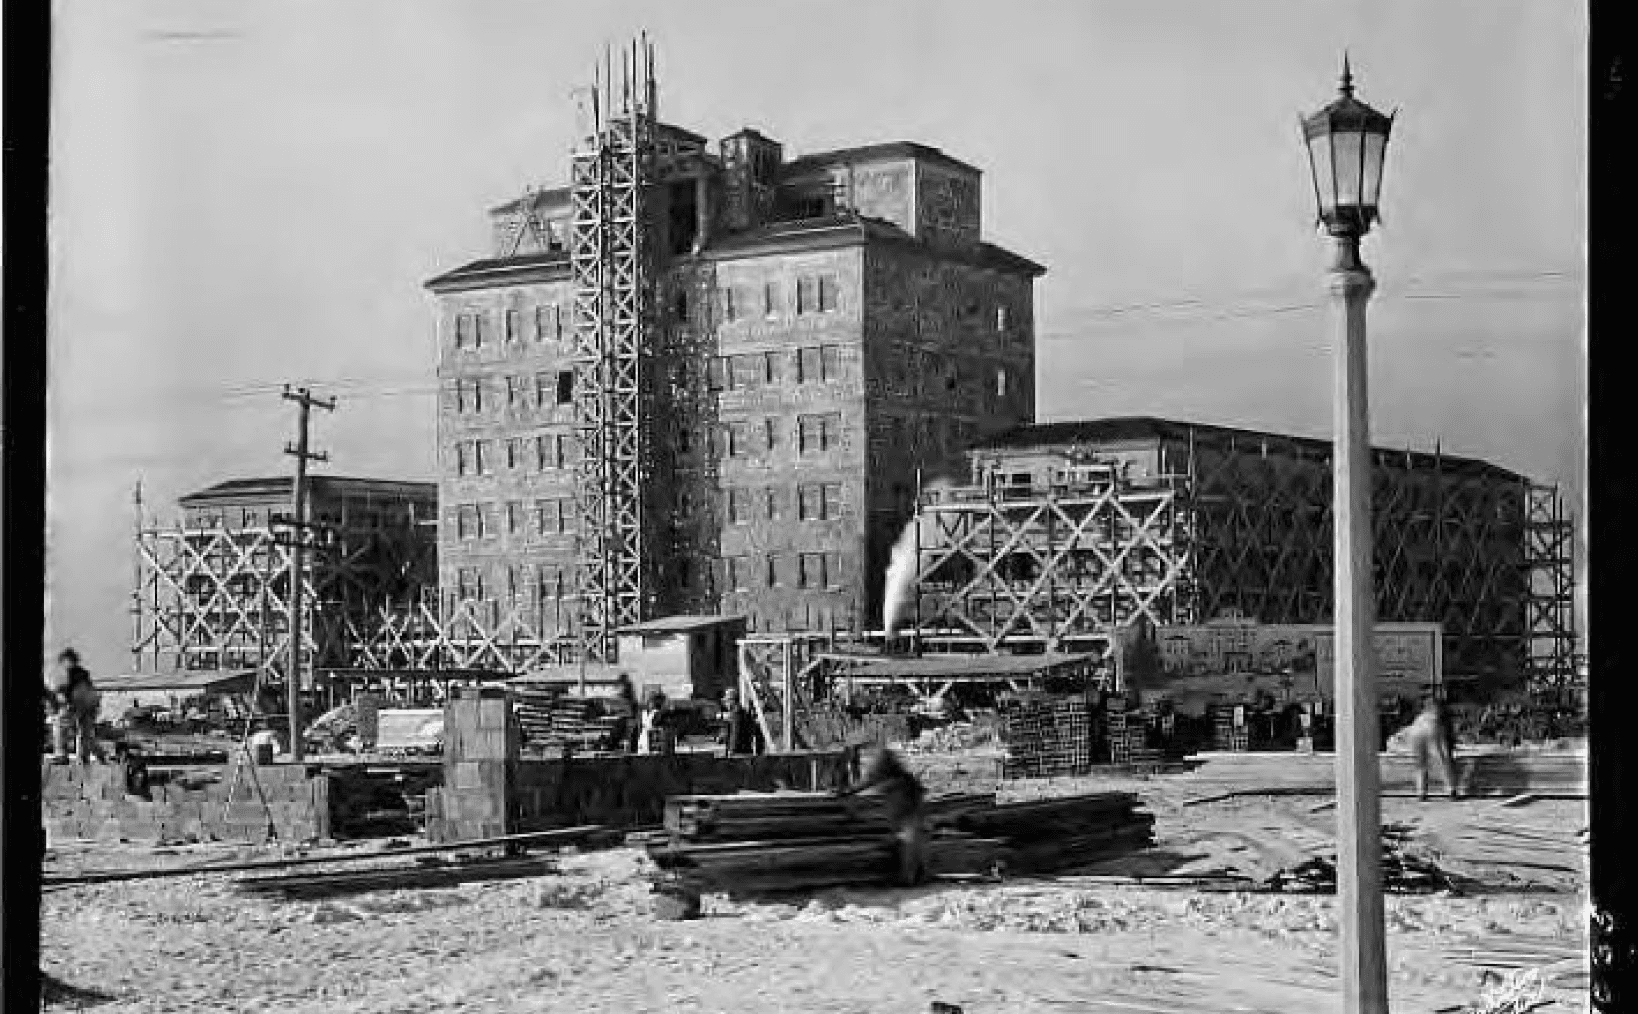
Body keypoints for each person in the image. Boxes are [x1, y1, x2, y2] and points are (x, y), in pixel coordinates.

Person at [834, 744, 929, 886]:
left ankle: (908, 878)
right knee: (907, 842)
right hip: (905, 807)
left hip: (908, 807)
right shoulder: (885, 764)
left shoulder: (883, 763)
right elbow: (870, 781)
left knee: (908, 842)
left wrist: (848, 792)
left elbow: (870, 779)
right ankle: (913, 875)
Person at [49, 649, 107, 764]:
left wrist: (60, 700)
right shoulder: (83, 673)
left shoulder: (68, 673)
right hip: (89, 707)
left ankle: (62, 755)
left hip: (77, 705)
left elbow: (63, 691)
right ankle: (91, 757)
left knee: (60, 725)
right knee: (86, 734)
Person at [1406, 695, 1459, 801]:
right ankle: (1451, 790)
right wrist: (1450, 748)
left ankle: (1421, 792)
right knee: (1443, 760)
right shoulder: (1443, 712)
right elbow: (1448, 735)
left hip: (1414, 729)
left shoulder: (1422, 713)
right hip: (1432, 726)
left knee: (1420, 764)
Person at [720, 688, 762, 757]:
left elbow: (736, 732)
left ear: (732, 701)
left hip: (739, 753)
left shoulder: (736, 714)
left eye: (726, 701)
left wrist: (732, 750)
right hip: (747, 750)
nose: (725, 704)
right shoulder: (744, 712)